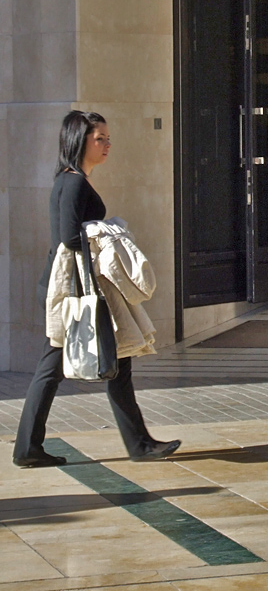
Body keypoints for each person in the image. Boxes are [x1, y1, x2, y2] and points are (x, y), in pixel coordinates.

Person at [13, 110, 181, 468]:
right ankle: (29, 447)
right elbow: (69, 238)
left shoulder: (72, 179)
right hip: (77, 291)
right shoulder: (73, 182)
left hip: (80, 287)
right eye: (99, 138)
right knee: (53, 367)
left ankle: (137, 444)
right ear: (80, 140)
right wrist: (106, 234)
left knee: (114, 363)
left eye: (108, 138)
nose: (107, 144)